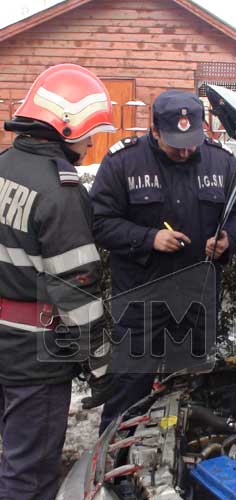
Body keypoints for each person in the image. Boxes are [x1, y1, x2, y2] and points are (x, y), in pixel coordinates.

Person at [90, 89, 236, 433]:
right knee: (128, 392)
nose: (185, 150)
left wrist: (227, 240)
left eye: (191, 140)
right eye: (174, 142)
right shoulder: (123, 163)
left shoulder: (220, 162)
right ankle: (113, 465)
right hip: (140, 300)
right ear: (154, 131)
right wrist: (150, 238)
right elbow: (99, 222)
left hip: (196, 300)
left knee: (190, 391)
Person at [0, 64, 116, 500]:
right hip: (35, 357)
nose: (91, 142)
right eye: (89, 132)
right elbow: (77, 292)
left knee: (12, 456)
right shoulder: (60, 191)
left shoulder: (3, 165)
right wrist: (102, 364)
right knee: (29, 474)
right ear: (66, 127)